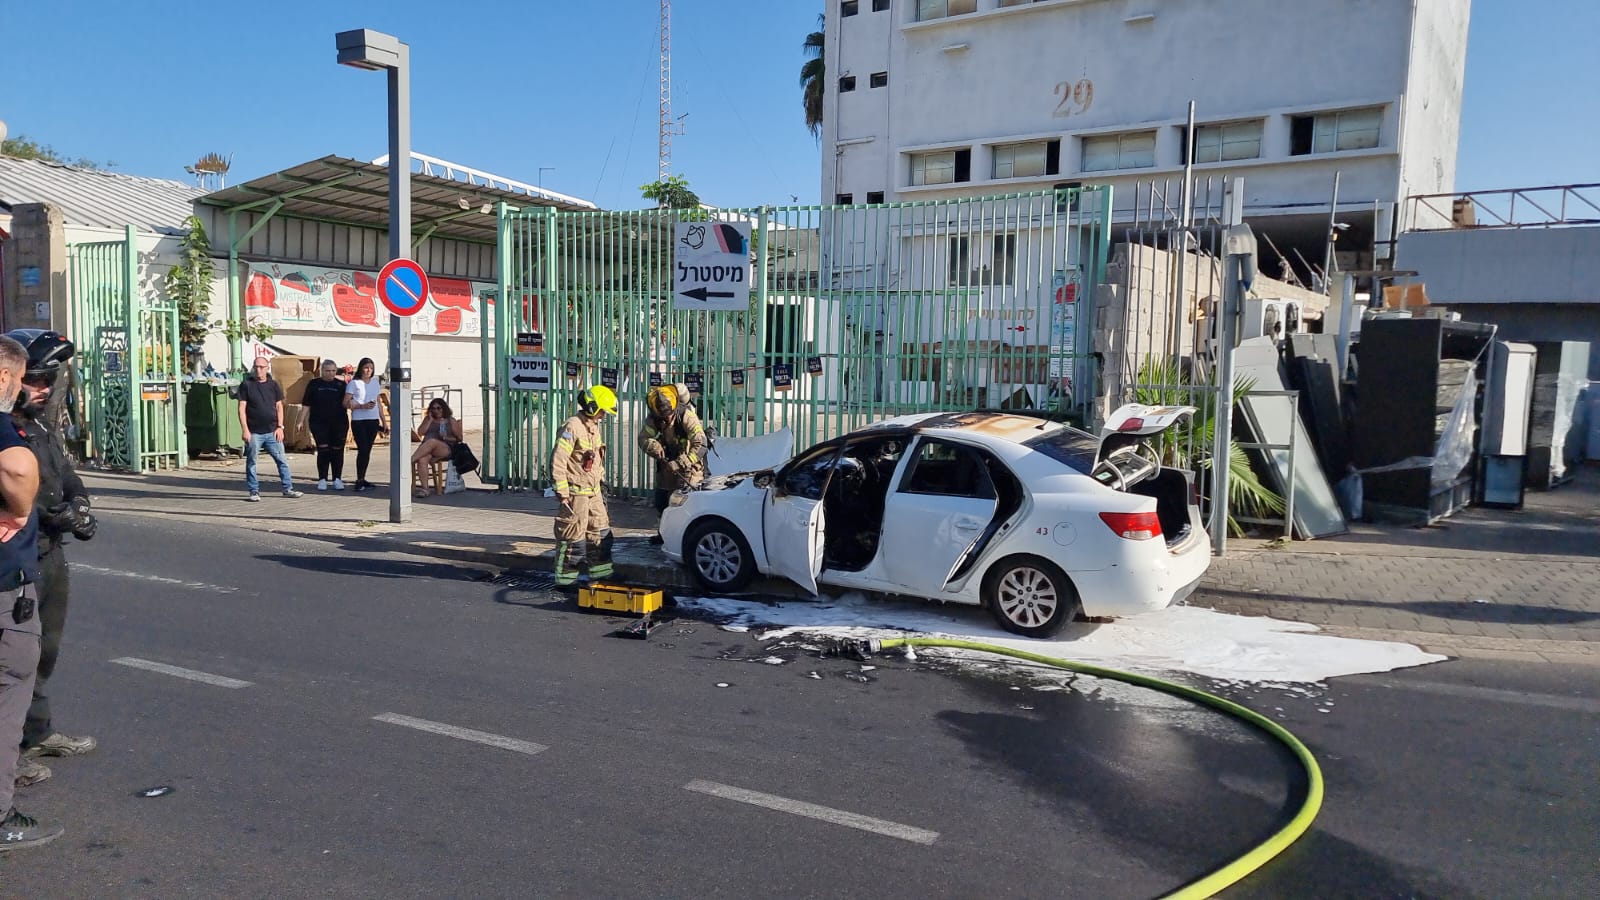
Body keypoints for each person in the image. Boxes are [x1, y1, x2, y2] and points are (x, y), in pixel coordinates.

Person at [3, 331, 96, 791]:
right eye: (34, 379)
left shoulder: (39, 426)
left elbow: (66, 475)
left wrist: (78, 507)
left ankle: (35, 733)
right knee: (11, 660)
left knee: (43, 651)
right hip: (18, 557)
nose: (41, 389)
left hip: (51, 553)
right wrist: (45, 514)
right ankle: (9, 753)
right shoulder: (7, 428)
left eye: (48, 380)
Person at [0, 334, 62, 852]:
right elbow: (20, 472)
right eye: (22, 380)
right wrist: (20, 511)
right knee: (7, 695)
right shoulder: (6, 431)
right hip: (5, 593)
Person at [551, 386, 617, 587]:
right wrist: (562, 492)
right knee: (573, 539)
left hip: (593, 492)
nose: (603, 416)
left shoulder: (593, 428)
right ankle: (566, 581)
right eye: (602, 411)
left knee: (601, 533)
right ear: (592, 408)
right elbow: (559, 460)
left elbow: (595, 460)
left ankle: (601, 574)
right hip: (575, 494)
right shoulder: (572, 427)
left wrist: (601, 483)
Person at [638, 382, 707, 544]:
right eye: (662, 416)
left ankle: (686, 539)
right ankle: (664, 534)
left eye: (669, 414)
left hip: (690, 468)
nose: (666, 418)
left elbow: (701, 444)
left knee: (686, 505)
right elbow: (642, 438)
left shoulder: (687, 416)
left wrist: (681, 462)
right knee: (662, 502)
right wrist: (653, 446)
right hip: (666, 467)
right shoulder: (654, 418)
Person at [238, 356, 301, 502]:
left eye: (261, 367)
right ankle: (254, 491)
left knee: (282, 461)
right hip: (254, 432)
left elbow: (279, 406)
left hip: (273, 431)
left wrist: (280, 426)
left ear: (267, 369)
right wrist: (245, 429)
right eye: (256, 367)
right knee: (252, 461)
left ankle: (288, 488)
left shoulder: (273, 385)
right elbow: (242, 408)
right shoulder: (246, 385)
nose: (258, 370)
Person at [299, 359, 350, 491]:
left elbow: (348, 402)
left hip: (339, 422)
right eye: (328, 371)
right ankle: (322, 478)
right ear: (322, 371)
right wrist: (300, 420)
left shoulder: (341, 385)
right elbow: (306, 404)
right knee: (323, 450)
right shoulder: (314, 384)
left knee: (337, 451)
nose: (331, 374)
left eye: (333, 371)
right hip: (319, 422)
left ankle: (337, 478)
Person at [345, 358, 388, 492]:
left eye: (371, 368)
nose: (368, 370)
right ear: (361, 369)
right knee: (362, 449)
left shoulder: (375, 383)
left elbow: (379, 403)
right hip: (359, 420)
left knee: (367, 450)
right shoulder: (354, 383)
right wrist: (360, 406)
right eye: (366, 368)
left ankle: (363, 478)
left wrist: (384, 421)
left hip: (373, 420)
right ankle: (359, 479)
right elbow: (345, 402)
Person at [411, 398, 463, 498]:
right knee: (422, 459)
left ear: (444, 408)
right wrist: (430, 419)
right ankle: (425, 489)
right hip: (427, 449)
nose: (436, 411)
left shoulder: (450, 421)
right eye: (433, 408)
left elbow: (459, 438)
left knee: (432, 441)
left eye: (439, 408)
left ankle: (411, 460)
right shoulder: (428, 419)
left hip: (445, 448)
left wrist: (445, 437)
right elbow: (420, 433)